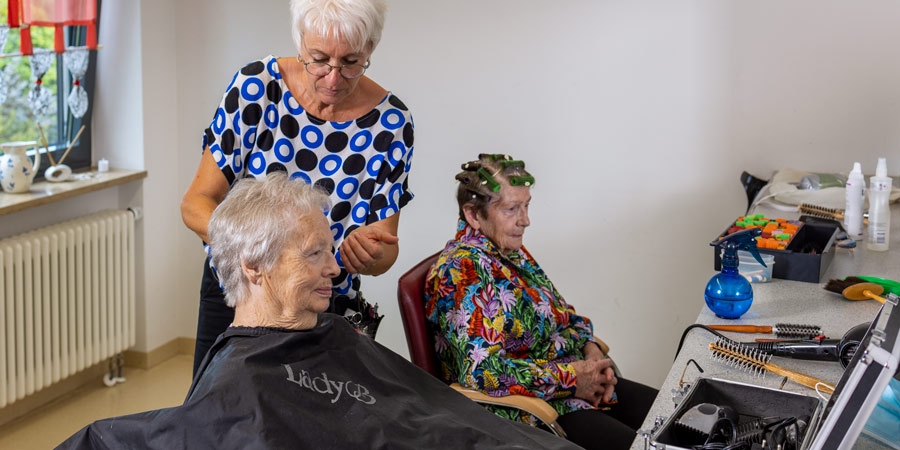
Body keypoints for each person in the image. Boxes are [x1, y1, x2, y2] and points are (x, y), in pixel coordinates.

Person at [57, 174, 579, 450]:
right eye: (314, 254)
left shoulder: (331, 333)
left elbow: (417, 410)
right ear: (255, 265)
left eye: (330, 250)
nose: (336, 268)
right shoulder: (241, 390)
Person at [181, 0, 414, 375]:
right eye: (319, 59)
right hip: (244, 294)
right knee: (218, 415)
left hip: (323, 299)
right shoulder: (256, 89)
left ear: (370, 49)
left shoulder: (391, 123)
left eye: (351, 62)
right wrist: (257, 252)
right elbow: (196, 203)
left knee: (320, 424)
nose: (333, 79)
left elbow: (385, 250)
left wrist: (366, 254)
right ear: (300, 41)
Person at [424, 154, 658, 450]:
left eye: (526, 206)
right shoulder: (465, 270)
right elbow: (483, 372)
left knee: (677, 417)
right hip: (531, 409)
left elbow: (563, 314)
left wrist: (591, 351)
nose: (525, 220)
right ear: (473, 214)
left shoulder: (509, 252)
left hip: (571, 381)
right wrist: (572, 378)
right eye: (511, 209)